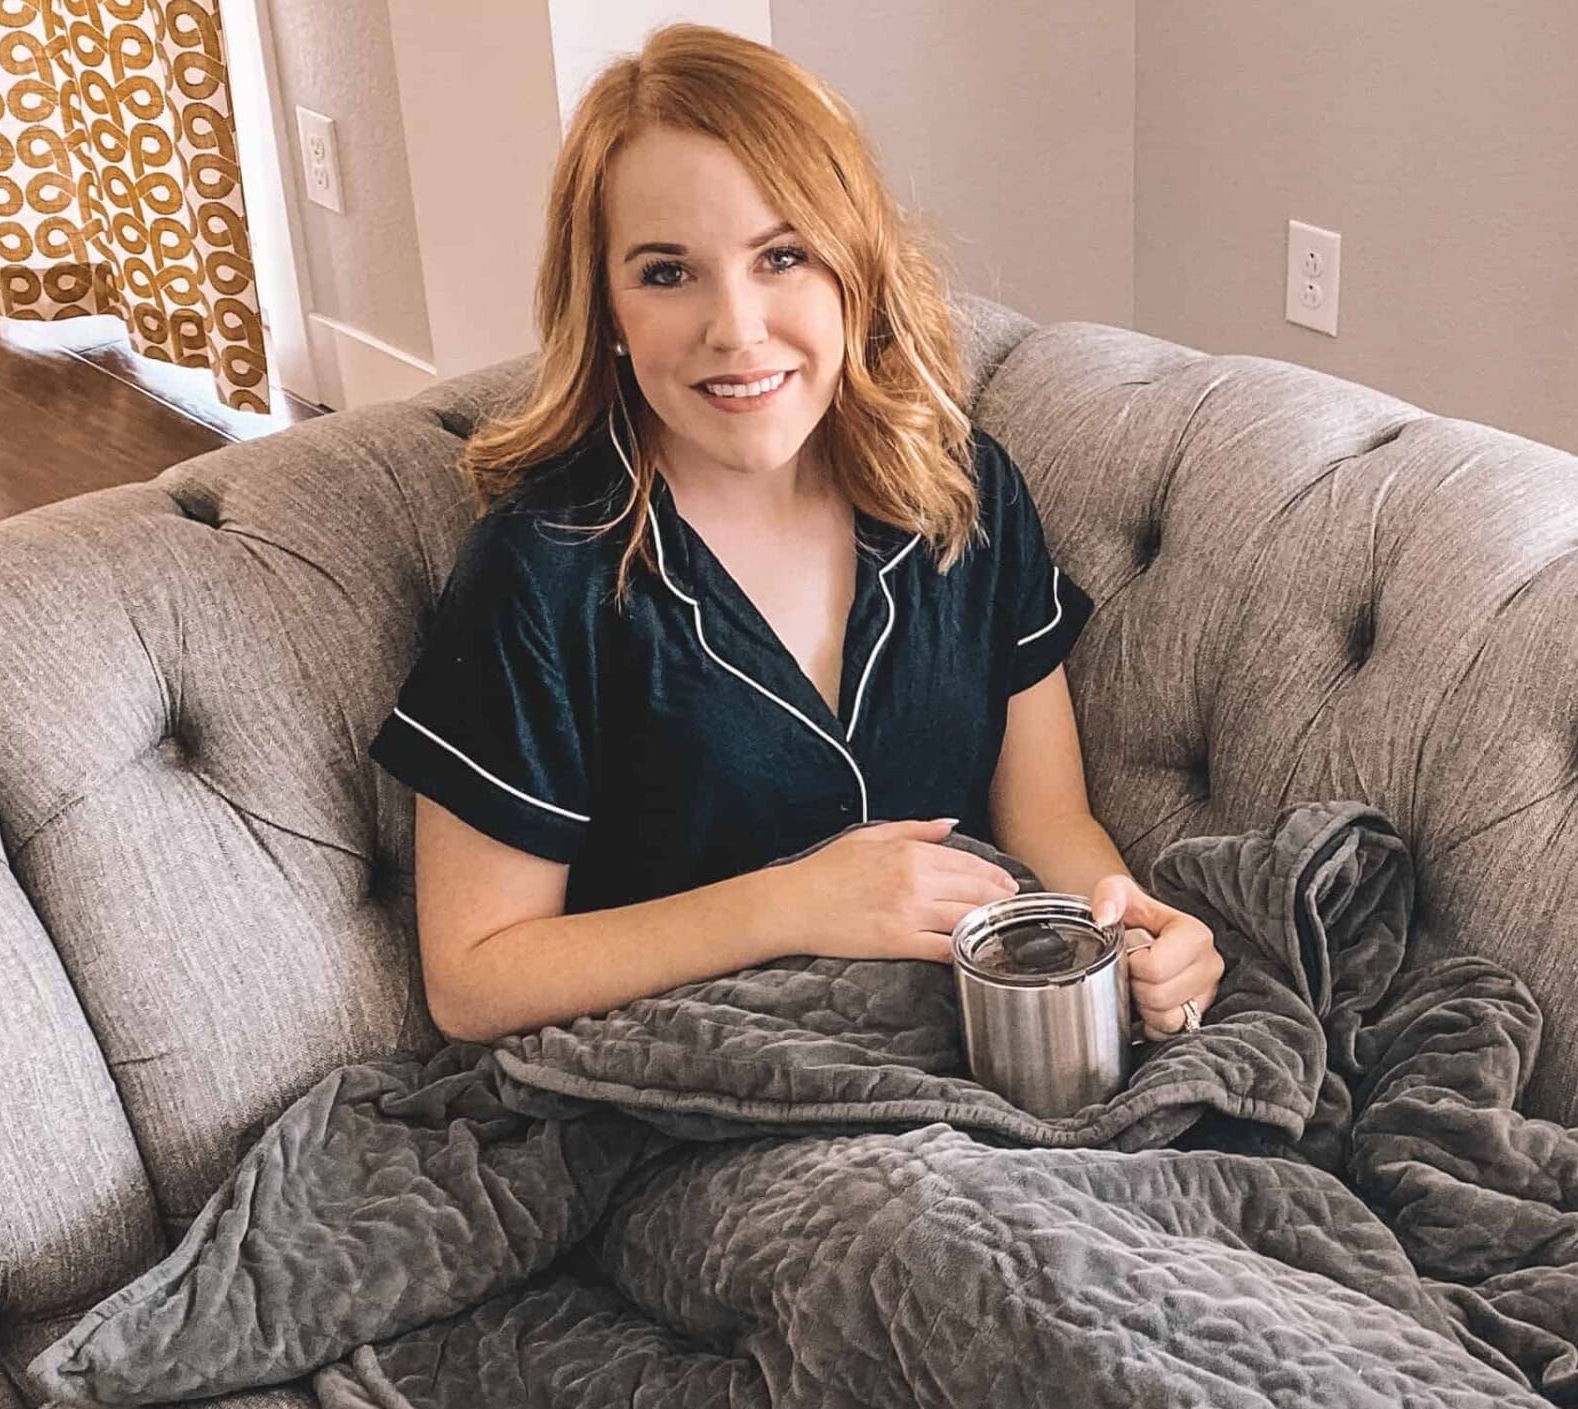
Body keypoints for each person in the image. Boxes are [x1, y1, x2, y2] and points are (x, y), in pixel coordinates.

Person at [369, 22, 1223, 1047]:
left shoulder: (966, 493)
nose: (736, 327)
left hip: (965, 1047)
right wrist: (786, 904)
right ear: (605, 308)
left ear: (853, 271)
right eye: (666, 272)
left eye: (782, 255)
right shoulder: (542, 570)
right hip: (684, 1082)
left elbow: (1046, 825)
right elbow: (474, 977)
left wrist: (1135, 931)